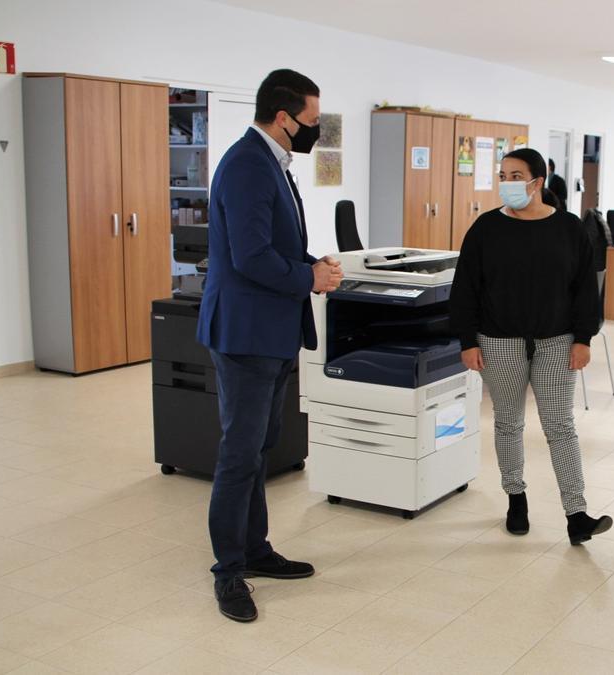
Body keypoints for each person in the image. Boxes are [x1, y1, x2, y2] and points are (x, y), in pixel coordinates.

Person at [196, 69, 343, 622]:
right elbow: (250, 257)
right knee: (240, 453)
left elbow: (275, 246)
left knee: (261, 447)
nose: (314, 133)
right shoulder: (246, 166)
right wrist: (309, 280)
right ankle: (228, 570)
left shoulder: (273, 164)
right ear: (283, 119)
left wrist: (312, 266)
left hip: (272, 329)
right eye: (310, 123)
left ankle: (256, 550)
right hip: (246, 333)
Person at [450, 148, 613, 545]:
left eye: (515, 175)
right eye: (502, 175)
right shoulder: (486, 228)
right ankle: (516, 499)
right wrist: (467, 341)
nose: (507, 182)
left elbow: (585, 292)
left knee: (560, 426)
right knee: (508, 422)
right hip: (498, 341)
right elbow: (466, 288)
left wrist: (583, 338)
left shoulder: (570, 229)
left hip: (557, 341)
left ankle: (577, 515)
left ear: (537, 182)